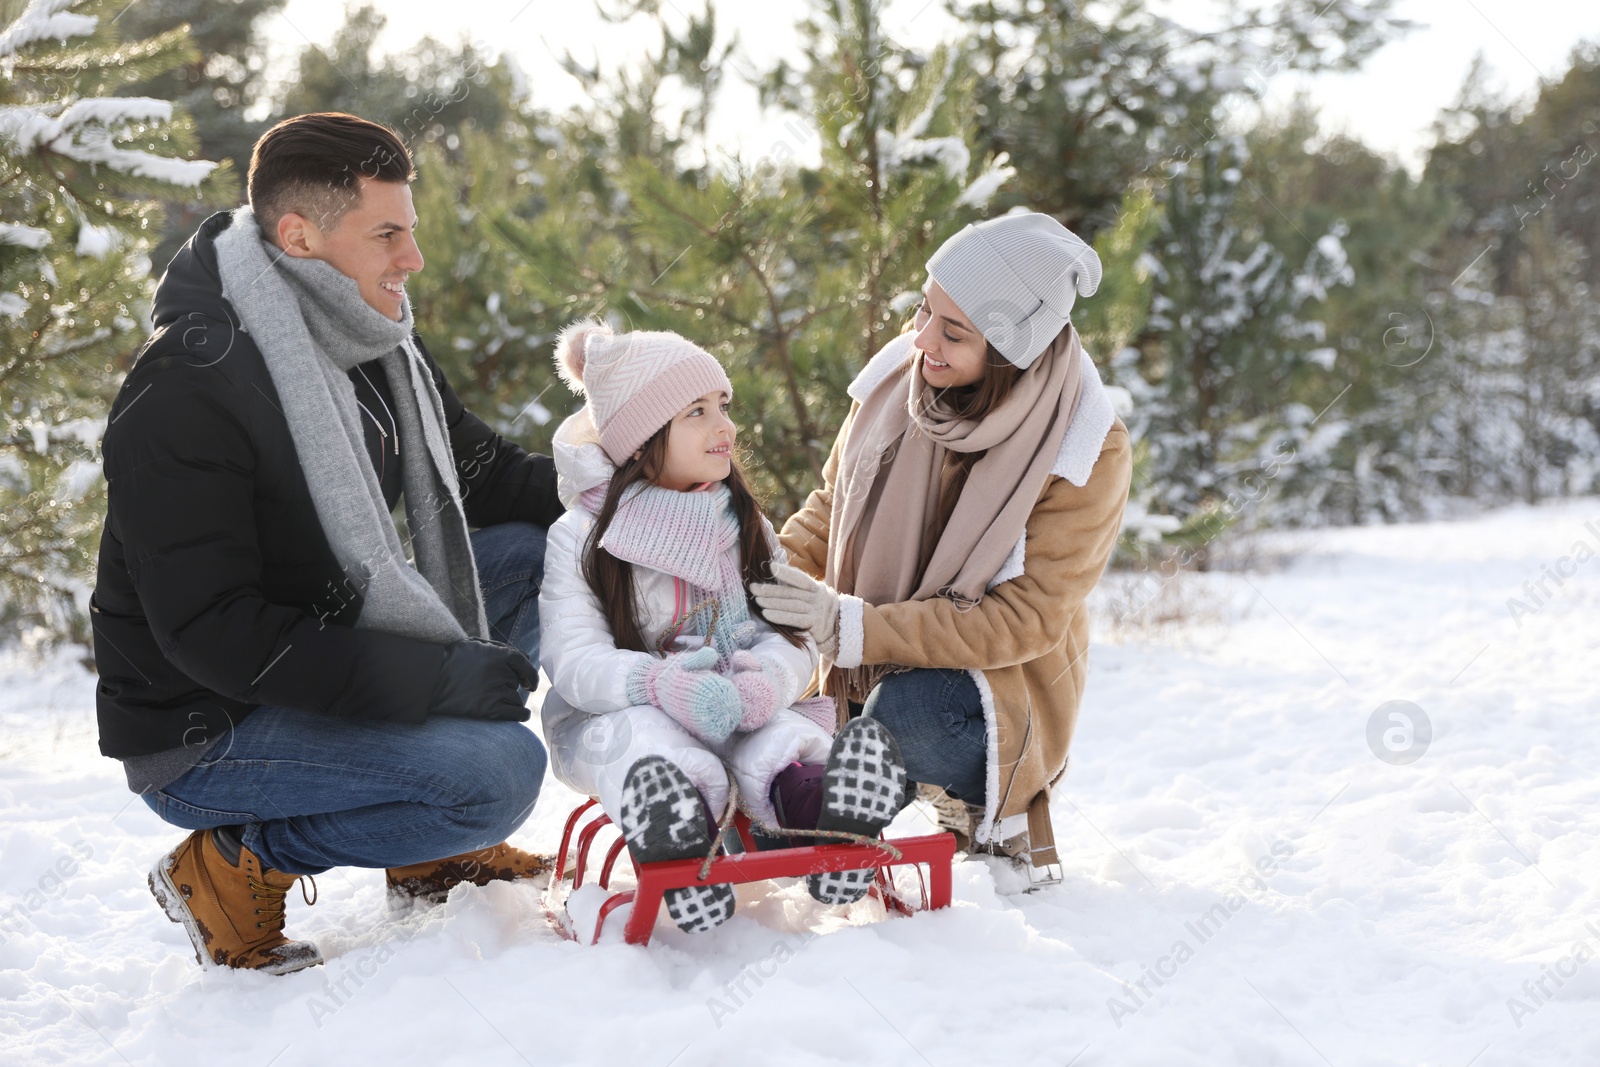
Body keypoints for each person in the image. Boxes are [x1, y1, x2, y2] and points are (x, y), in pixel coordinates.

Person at [92, 113, 562, 975]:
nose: (410, 260)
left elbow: (486, 474)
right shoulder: (188, 385)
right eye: (387, 234)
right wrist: (431, 680)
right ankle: (233, 866)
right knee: (498, 774)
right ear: (300, 236)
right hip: (207, 722)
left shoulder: (370, 332)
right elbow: (214, 632)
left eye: (410, 231)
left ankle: (422, 847)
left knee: (538, 557)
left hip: (316, 649)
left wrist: (637, 475)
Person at [753, 212, 1133, 889]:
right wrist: (758, 579)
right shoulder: (896, 387)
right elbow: (828, 509)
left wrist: (851, 626)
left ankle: (909, 807)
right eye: (925, 309)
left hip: (985, 693)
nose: (922, 340)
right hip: (858, 668)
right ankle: (815, 809)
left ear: (1012, 350)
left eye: (953, 331)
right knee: (758, 715)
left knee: (908, 716)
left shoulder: (1083, 447)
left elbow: (1024, 620)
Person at [537, 320, 909, 934]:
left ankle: (827, 813)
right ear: (642, 435)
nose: (725, 426)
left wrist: (766, 679)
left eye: (724, 406)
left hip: (732, 700)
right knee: (648, 741)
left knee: (776, 733)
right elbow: (574, 662)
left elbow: (789, 631)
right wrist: (657, 685)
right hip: (620, 714)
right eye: (698, 412)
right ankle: (678, 836)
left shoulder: (742, 522)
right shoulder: (581, 536)